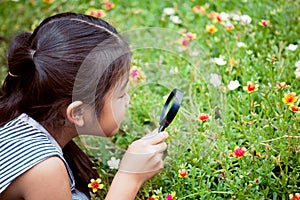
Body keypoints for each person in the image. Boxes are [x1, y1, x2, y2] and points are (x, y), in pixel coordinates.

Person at [0, 12, 168, 200]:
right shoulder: (44, 168)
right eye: (121, 95)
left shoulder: (19, 110)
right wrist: (129, 178)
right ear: (78, 113)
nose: (128, 100)